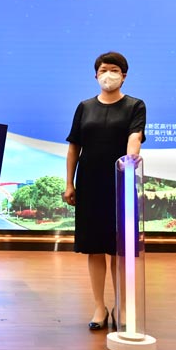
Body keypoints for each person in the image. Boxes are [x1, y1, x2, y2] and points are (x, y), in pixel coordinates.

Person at [63, 51, 146, 331]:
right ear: (95, 75)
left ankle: (122, 306)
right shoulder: (85, 107)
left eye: (113, 70)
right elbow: (74, 147)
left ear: (124, 75)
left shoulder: (135, 106)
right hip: (89, 183)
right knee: (95, 248)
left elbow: (135, 137)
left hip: (120, 183)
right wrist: (69, 183)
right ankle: (99, 307)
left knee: (119, 250)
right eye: (102, 70)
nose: (107, 75)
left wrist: (130, 162)